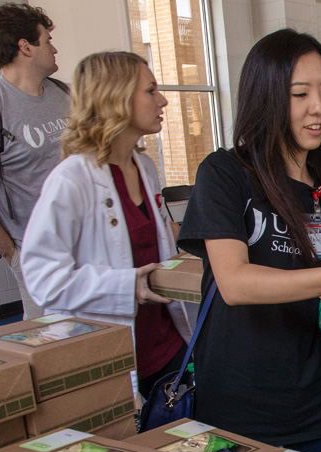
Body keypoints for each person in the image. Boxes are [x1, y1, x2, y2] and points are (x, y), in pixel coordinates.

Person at [177, 30, 321, 452]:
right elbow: (234, 282)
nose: (319, 107)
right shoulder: (226, 173)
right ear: (266, 97)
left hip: (319, 399)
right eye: (300, 94)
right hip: (240, 400)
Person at [20, 52, 192, 400]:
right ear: (117, 99)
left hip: (165, 345)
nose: (163, 99)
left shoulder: (144, 167)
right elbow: (42, 279)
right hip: (112, 351)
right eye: (151, 90)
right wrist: (125, 285)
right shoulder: (71, 179)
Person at [0, 3, 70, 319]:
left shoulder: (65, 94)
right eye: (47, 40)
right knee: (55, 350)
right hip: (36, 258)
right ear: (25, 47)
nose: (54, 48)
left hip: (89, 247)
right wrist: (13, 255)